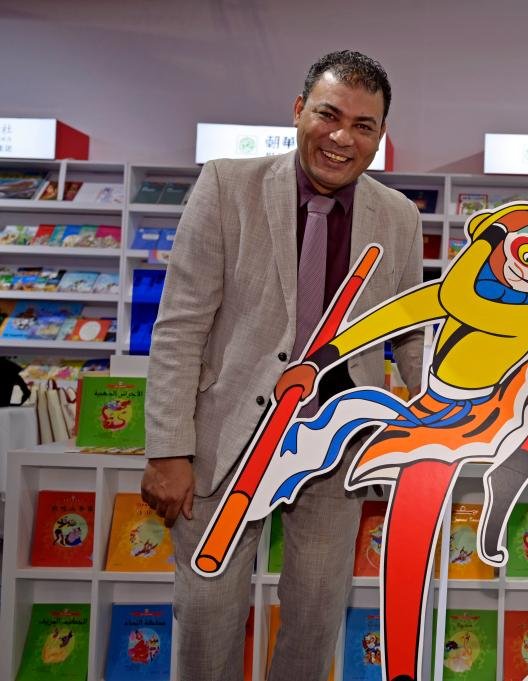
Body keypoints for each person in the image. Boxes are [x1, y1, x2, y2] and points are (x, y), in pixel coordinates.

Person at [140, 50, 424, 681]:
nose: (342, 138)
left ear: (381, 135)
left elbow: (410, 335)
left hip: (336, 446)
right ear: (298, 111)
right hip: (227, 440)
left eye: (363, 125)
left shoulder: (399, 217)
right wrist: (167, 450)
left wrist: (449, 410)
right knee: (208, 617)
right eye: (328, 115)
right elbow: (180, 326)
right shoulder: (226, 186)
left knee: (316, 619)